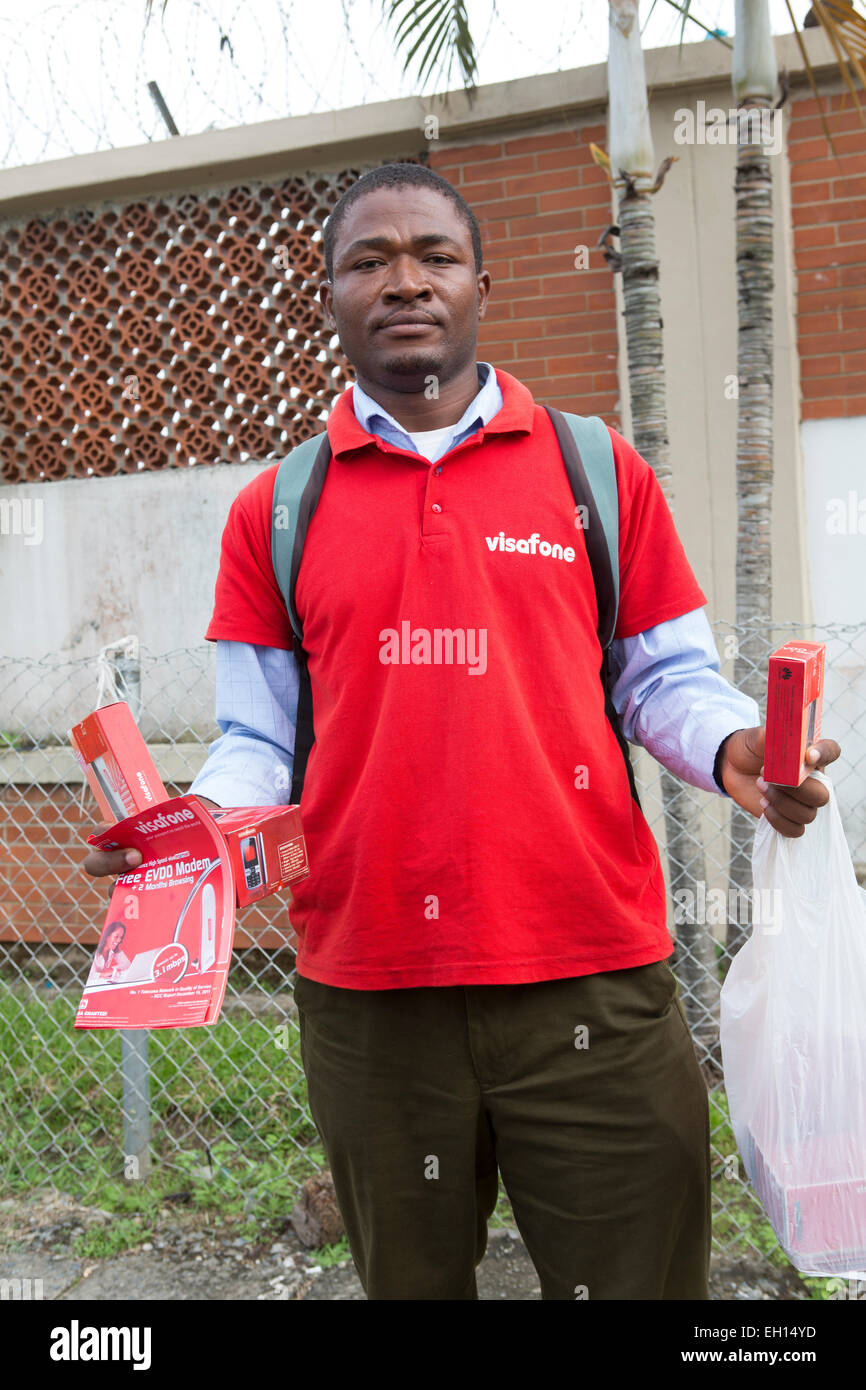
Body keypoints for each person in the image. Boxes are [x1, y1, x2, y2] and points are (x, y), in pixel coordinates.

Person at [83, 163, 841, 1301]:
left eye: (432, 255)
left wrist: (734, 744)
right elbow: (258, 741)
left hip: (590, 978)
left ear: (480, 283)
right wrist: (189, 835)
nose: (403, 280)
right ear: (328, 295)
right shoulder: (276, 513)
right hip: (371, 994)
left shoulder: (593, 470)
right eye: (367, 261)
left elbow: (665, 678)